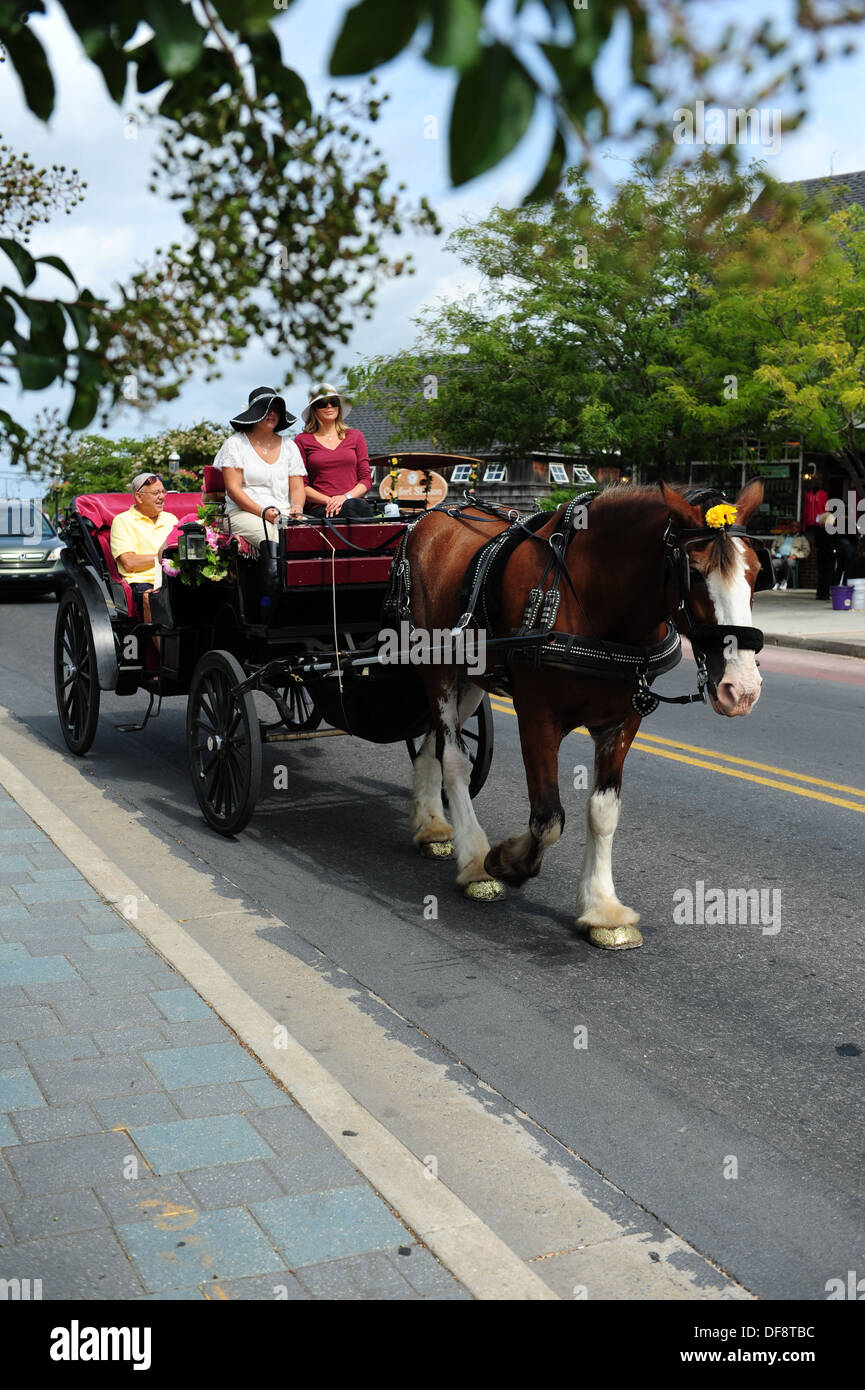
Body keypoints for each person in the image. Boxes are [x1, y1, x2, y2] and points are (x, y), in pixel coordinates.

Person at [215, 386, 306, 548]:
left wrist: (297, 507)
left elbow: (298, 488)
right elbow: (233, 490)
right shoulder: (235, 444)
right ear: (254, 413)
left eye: (276, 409)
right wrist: (263, 512)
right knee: (273, 538)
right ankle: (274, 574)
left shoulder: (289, 446)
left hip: (283, 513)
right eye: (266, 409)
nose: (272, 413)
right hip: (243, 512)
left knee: (312, 535)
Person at [294, 383, 373, 519]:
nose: (329, 406)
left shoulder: (355, 436)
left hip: (355, 503)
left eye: (333, 402)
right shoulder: (302, 440)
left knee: (353, 506)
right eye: (323, 403)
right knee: (349, 509)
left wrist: (345, 497)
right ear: (314, 409)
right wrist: (329, 501)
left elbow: (365, 479)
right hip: (322, 507)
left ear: (338, 406)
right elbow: (301, 485)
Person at [110, 474, 178, 622]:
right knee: (151, 597)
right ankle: (160, 644)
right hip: (143, 581)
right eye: (155, 493)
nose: (161, 497)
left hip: (173, 577)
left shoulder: (171, 519)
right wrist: (163, 557)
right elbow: (129, 563)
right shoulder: (122, 521)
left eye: (163, 492)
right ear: (139, 497)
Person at [770, 520, 810, 589]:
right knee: (772, 563)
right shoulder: (781, 537)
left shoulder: (802, 539)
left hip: (791, 558)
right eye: (792, 526)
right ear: (789, 527)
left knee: (788, 562)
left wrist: (796, 555)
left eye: (796, 527)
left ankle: (784, 581)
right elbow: (773, 548)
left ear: (798, 528)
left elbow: (806, 551)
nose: (794, 528)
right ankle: (776, 582)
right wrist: (774, 553)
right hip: (780, 557)